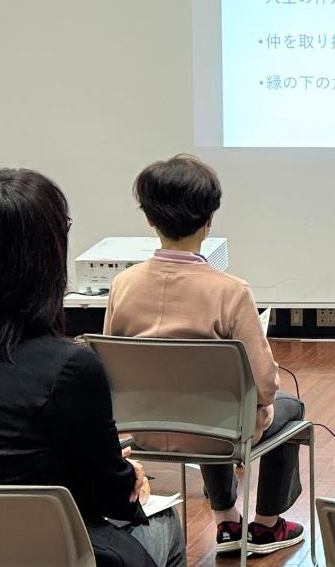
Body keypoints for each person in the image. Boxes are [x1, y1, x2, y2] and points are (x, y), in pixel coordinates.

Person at [103, 154, 305, 557]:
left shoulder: (122, 286)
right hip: (217, 435)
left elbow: (111, 366)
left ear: (149, 219)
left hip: (141, 432)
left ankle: (226, 519)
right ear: (209, 220)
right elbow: (265, 386)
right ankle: (266, 525)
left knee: (214, 407)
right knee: (285, 407)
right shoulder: (230, 291)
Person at [0, 168, 186, 567]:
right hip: (52, 551)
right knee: (164, 522)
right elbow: (110, 497)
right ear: (47, 253)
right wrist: (128, 475)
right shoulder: (69, 368)